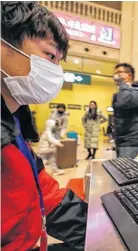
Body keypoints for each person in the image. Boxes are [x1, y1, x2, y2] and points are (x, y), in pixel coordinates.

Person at [1, 2, 87, 250]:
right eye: (50, 56)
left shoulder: (14, 120)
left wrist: (99, 227)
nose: (55, 72)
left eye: (58, 62)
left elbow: (43, 192)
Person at [112, 63, 138, 158]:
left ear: (129, 75)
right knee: (121, 168)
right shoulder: (121, 92)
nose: (116, 76)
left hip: (132, 141)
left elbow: (125, 102)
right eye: (115, 73)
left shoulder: (137, 91)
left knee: (127, 171)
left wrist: (123, 84)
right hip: (121, 139)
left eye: (119, 73)